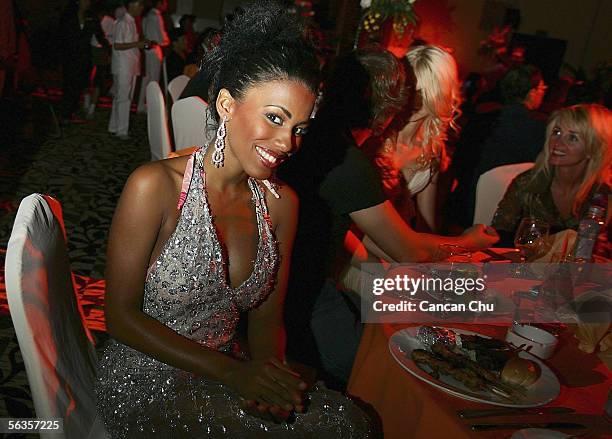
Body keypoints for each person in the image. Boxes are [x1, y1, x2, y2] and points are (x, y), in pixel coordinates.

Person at [95, 2, 374, 437]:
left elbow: (266, 321)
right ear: (226, 104)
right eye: (275, 118)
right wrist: (232, 373)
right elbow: (119, 317)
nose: (287, 142)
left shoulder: (282, 205)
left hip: (230, 373)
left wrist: (267, 379)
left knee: (350, 423)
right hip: (145, 378)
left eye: (300, 128)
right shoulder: (155, 187)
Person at [280, 48, 498, 388]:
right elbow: (406, 250)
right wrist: (468, 242)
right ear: (387, 114)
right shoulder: (348, 161)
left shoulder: (307, 132)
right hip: (300, 296)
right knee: (385, 367)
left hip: (291, 281)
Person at [365, 45, 462, 232]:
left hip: (401, 249)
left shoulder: (432, 148)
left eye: (422, 94)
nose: (412, 101)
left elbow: (426, 224)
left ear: (440, 97)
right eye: (408, 90)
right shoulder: (373, 137)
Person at [492, 103, 611, 247]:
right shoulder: (527, 184)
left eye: (572, 138)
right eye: (557, 132)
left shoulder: (604, 195)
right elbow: (497, 236)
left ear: (594, 148)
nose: (557, 143)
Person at [108, 0, 147, 140]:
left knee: (121, 97)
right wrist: (138, 44)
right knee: (124, 98)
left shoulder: (131, 21)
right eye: (140, 5)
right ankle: (121, 131)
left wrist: (139, 44)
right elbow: (117, 45)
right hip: (123, 65)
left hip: (129, 64)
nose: (142, 8)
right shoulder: (123, 22)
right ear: (132, 5)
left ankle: (114, 126)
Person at [137, 0, 170, 113]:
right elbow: (161, 37)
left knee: (146, 78)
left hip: (147, 49)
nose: (166, 5)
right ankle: (150, 105)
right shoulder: (156, 16)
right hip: (155, 50)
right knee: (153, 79)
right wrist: (166, 40)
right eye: (165, 3)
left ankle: (141, 104)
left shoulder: (147, 16)